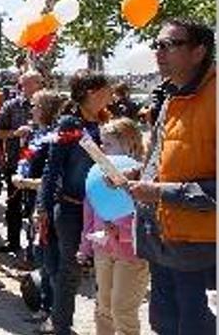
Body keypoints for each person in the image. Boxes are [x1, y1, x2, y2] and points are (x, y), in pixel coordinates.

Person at [127, 19, 216, 335]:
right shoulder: (169, 95)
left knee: (191, 323)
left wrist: (161, 192)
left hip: (194, 243)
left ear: (198, 52)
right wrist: (140, 174)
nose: (158, 52)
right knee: (163, 322)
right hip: (158, 237)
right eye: (157, 44)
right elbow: (166, 157)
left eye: (169, 44)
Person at [38, 70, 112, 335]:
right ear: (92, 93)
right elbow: (52, 168)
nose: (112, 93)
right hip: (71, 209)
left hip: (101, 211)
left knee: (93, 271)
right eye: (107, 88)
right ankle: (61, 327)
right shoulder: (71, 123)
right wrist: (43, 208)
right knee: (70, 270)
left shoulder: (105, 122)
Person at [78, 118, 149, 335]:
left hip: (132, 252)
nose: (102, 149)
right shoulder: (98, 174)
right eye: (101, 143)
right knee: (103, 307)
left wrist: (124, 232)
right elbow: (90, 212)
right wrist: (85, 247)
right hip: (103, 247)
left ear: (129, 144)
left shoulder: (143, 175)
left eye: (108, 144)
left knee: (122, 310)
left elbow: (147, 214)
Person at [13, 89, 66, 323]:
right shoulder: (39, 133)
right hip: (34, 200)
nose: (31, 110)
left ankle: (52, 311)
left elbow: (53, 176)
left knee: (49, 259)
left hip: (46, 203)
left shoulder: (56, 137)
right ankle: (45, 308)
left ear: (45, 109)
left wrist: (27, 182)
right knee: (41, 256)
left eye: (35, 106)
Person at [0, 70, 44, 254]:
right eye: (27, 83)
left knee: (34, 208)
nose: (32, 87)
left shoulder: (48, 106)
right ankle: (12, 242)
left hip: (39, 166)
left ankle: (33, 248)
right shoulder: (11, 105)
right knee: (13, 205)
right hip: (15, 163)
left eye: (36, 82)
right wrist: (15, 133)